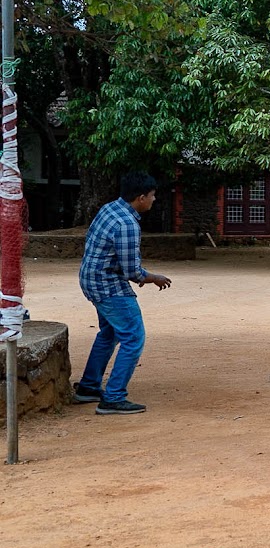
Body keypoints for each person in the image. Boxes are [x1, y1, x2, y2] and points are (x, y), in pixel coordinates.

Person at [72, 173, 173, 414]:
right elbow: (132, 271)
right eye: (152, 196)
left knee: (109, 333)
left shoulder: (110, 208)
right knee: (133, 337)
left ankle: (88, 387)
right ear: (141, 198)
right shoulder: (127, 224)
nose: (154, 200)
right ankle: (114, 397)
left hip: (91, 279)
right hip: (107, 285)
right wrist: (153, 278)